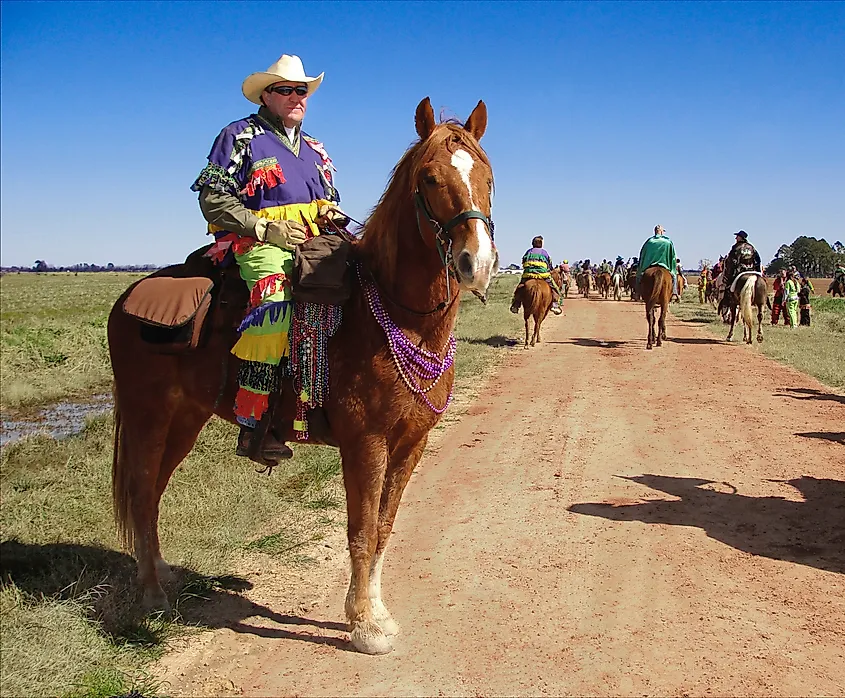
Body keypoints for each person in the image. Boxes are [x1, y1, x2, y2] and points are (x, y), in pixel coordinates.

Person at [192, 53, 344, 461]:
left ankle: (327, 402)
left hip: (315, 242)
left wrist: (330, 212)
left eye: (302, 91)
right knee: (275, 304)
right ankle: (253, 425)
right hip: (257, 244)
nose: (297, 97)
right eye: (287, 90)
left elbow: (329, 199)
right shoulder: (239, 136)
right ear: (266, 95)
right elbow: (213, 200)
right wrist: (264, 228)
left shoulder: (316, 149)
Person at [510, 236, 563, 315]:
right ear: (541, 244)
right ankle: (554, 305)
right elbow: (549, 265)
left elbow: (523, 262)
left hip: (529, 275)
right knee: (554, 288)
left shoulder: (528, 252)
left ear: (532, 244)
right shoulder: (544, 252)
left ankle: (516, 305)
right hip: (543, 275)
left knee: (520, 287)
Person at [721, 230, 762, 309]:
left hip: (740, 271)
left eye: (737, 236)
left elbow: (731, 260)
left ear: (741, 237)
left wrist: (730, 272)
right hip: (752, 270)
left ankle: (727, 302)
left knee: (728, 287)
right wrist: (757, 270)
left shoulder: (736, 247)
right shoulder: (752, 247)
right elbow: (758, 259)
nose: (736, 238)